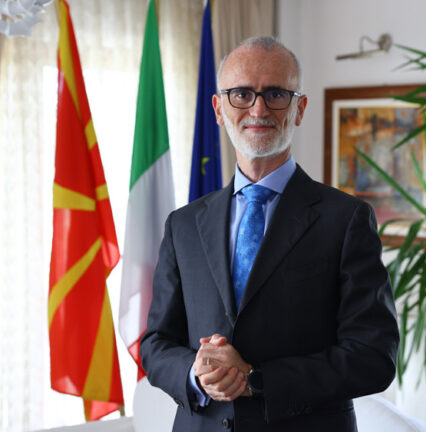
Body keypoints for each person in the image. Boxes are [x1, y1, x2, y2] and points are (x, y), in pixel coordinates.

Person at [140, 36, 399, 432]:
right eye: (242, 94)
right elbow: (156, 343)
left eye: (276, 94)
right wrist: (196, 372)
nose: (258, 109)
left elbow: (374, 357)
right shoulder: (184, 224)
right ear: (219, 109)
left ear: (299, 109)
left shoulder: (346, 220)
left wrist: (255, 380)